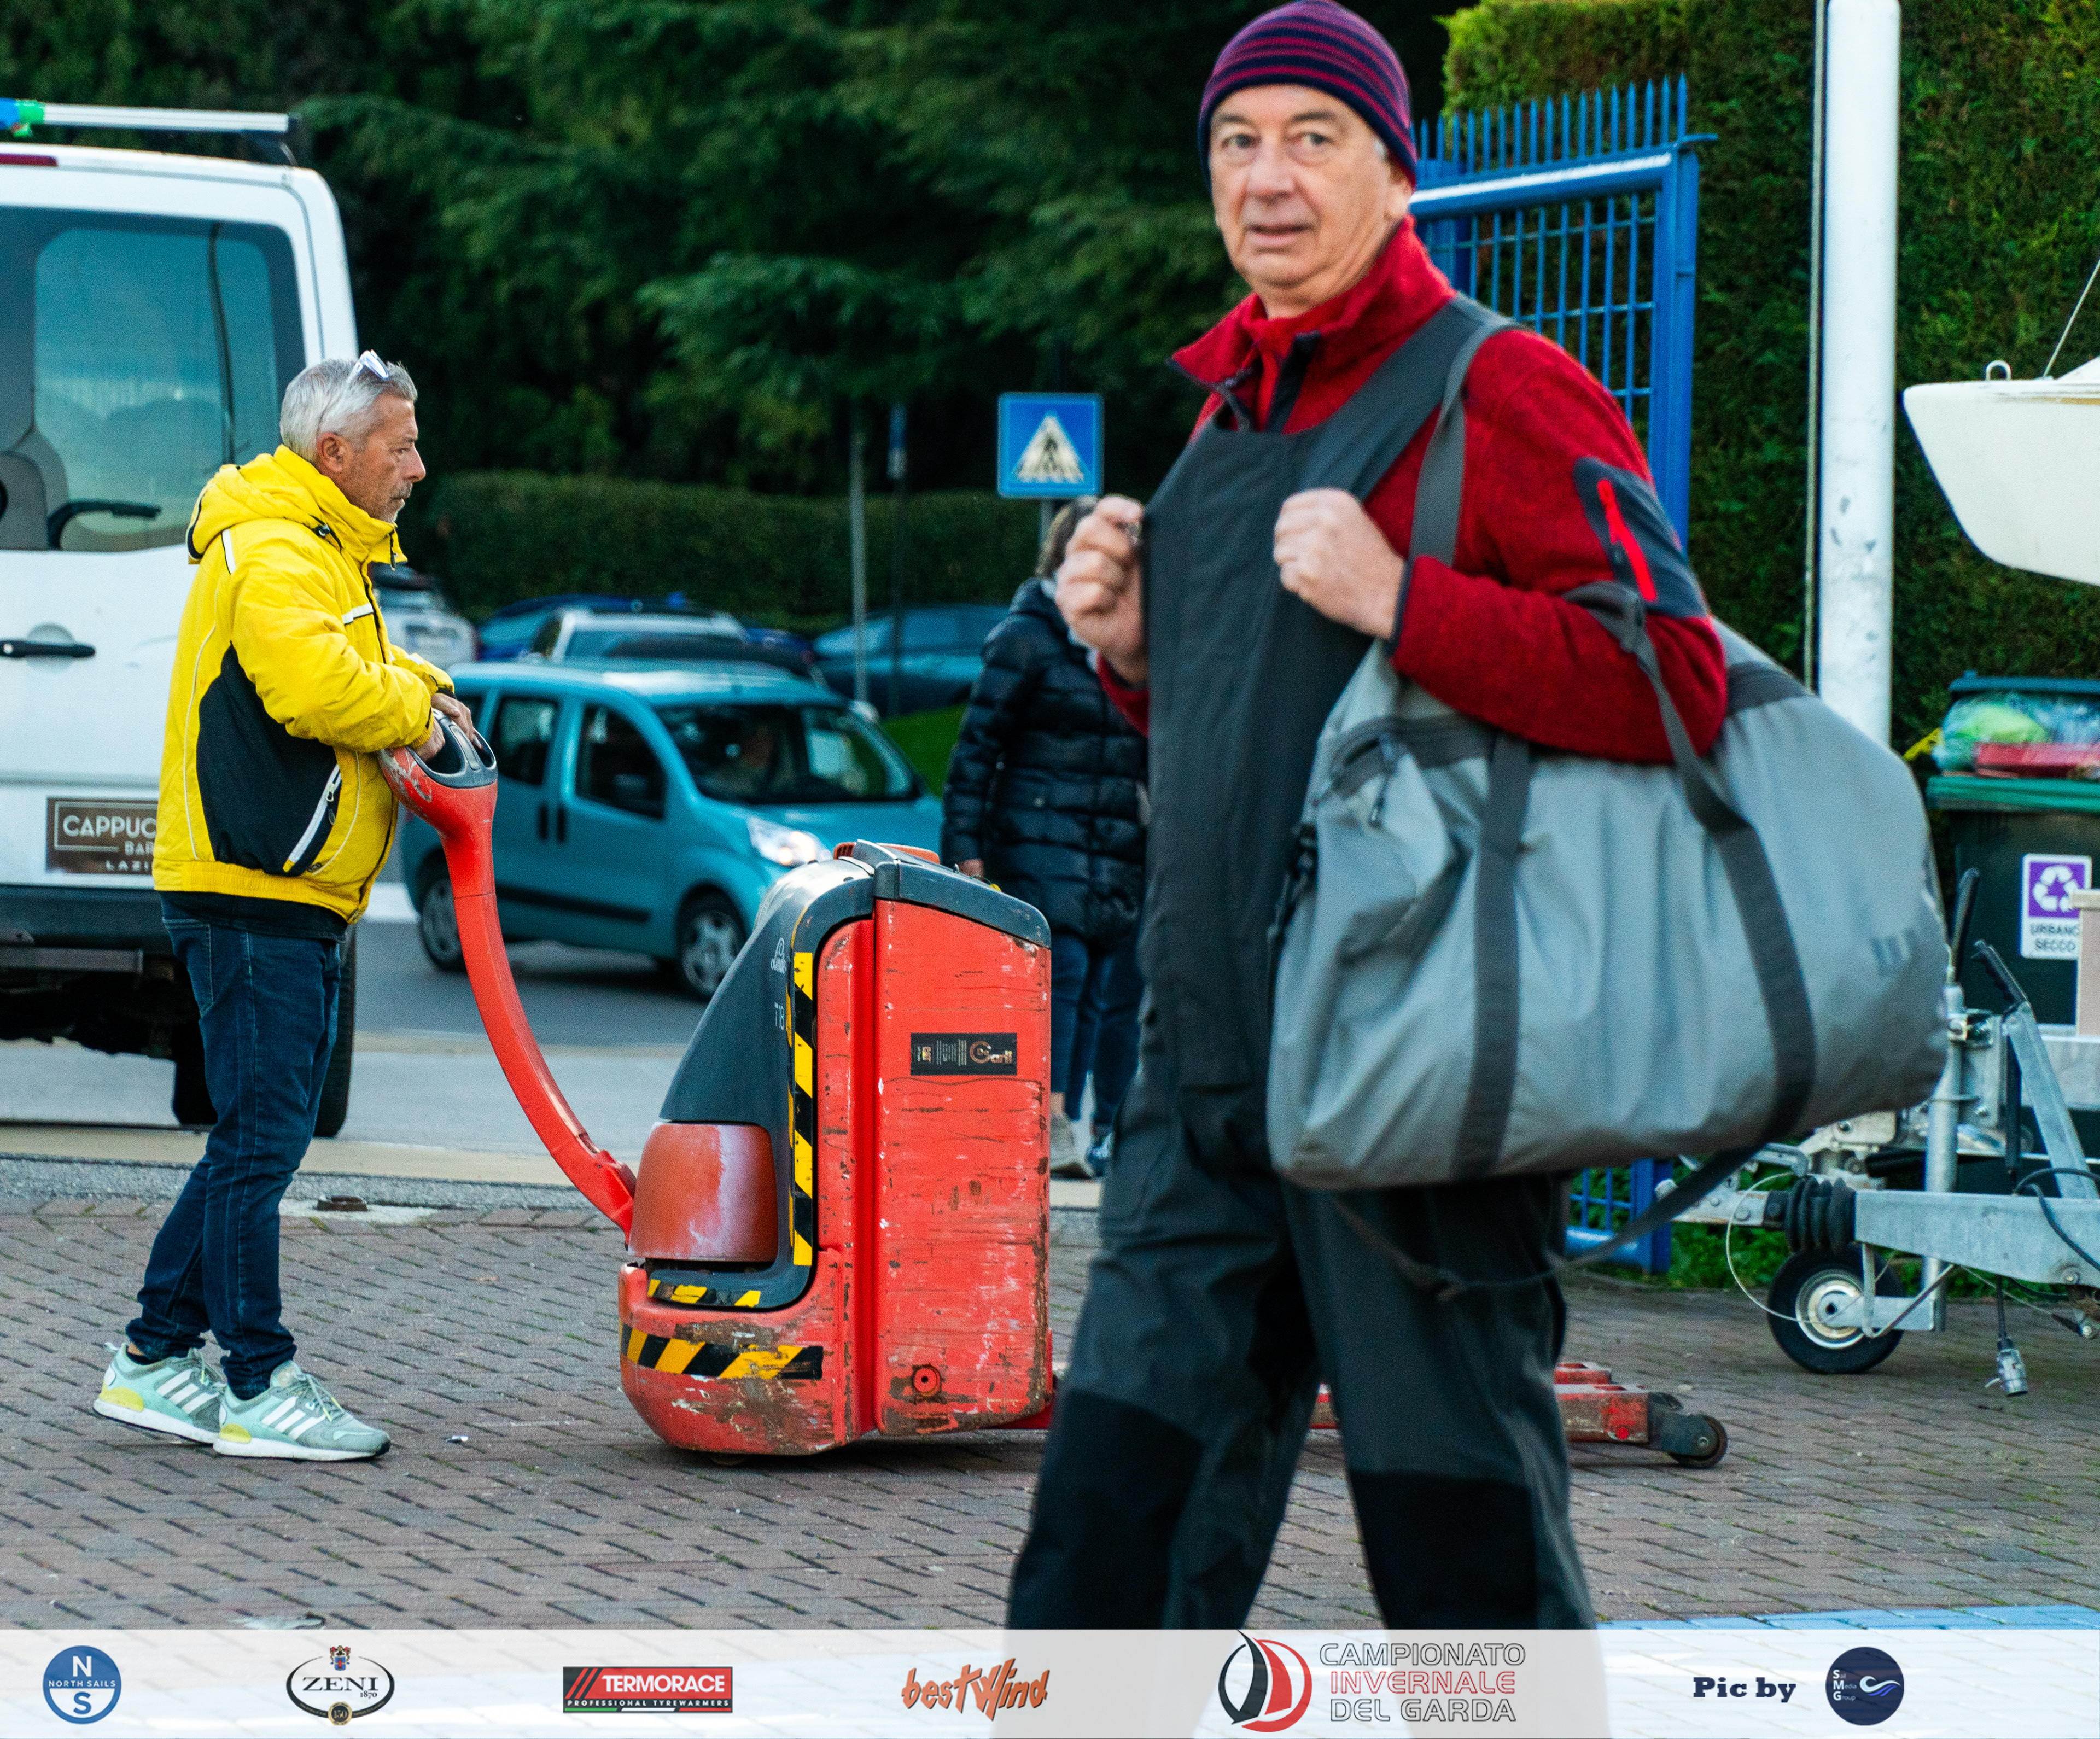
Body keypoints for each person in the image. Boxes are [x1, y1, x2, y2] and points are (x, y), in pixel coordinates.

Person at [1007, 1, 1728, 1629]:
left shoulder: (1506, 388)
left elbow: (1669, 678)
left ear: (1395, 174)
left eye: (1312, 138)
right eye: (1234, 142)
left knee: (1463, 1582)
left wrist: (1409, 598)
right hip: (1200, 1098)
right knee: (1100, 1556)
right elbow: (1252, 742)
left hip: (1415, 1102)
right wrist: (1127, 661)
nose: (1266, 179)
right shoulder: (1220, 419)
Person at [95, 352, 469, 1463]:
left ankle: (157, 1357)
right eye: (399, 444)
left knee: (255, 1137)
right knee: (262, 1139)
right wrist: (420, 701)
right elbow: (312, 688)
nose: (416, 465)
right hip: (253, 885)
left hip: (278, 888)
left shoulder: (315, 550)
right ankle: (259, 1384)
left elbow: (344, 666)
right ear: (336, 453)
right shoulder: (275, 547)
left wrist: (417, 689)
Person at [942, 501, 1147, 1178]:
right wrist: (965, 846)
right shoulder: (1025, 639)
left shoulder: (1128, 648)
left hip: (1109, 847)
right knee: (1065, 978)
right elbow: (976, 750)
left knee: (1098, 990)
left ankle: (1082, 1122)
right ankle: (1051, 1120)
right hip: (1036, 837)